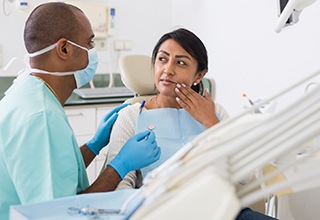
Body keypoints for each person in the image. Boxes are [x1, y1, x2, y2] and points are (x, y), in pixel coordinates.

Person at [0, 2, 160, 219]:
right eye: (90, 42)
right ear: (64, 49)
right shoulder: (41, 116)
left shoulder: (29, 90)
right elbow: (61, 214)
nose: (93, 51)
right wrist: (121, 166)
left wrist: (93, 146)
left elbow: (57, 172)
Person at [103, 28, 277, 219]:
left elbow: (245, 176)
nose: (168, 69)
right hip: (158, 212)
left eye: (181, 63)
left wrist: (211, 123)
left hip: (220, 212)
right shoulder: (131, 115)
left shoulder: (215, 112)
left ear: (199, 75)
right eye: (162, 59)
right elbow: (120, 187)